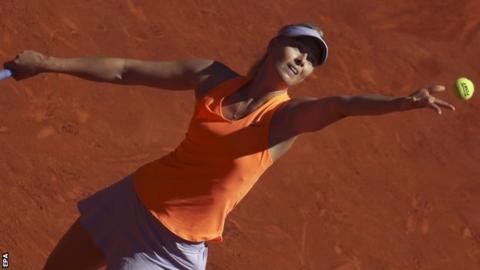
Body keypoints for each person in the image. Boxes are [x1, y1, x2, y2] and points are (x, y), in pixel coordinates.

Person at [4, 22, 455, 270]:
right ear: (274, 44)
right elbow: (125, 70)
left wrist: (401, 102)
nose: (303, 60)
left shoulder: (284, 119)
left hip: (170, 250)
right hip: (132, 200)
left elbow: (342, 105)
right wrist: (47, 63)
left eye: (312, 60)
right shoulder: (213, 78)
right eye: (299, 47)